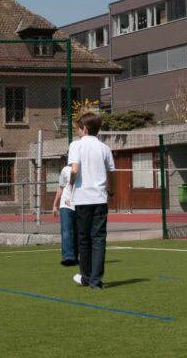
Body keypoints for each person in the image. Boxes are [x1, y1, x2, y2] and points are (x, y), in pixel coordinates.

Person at [66, 112, 115, 290]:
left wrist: (70, 185)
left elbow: (74, 170)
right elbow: (111, 172)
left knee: (84, 239)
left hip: (82, 198)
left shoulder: (76, 145)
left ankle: (86, 277)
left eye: (79, 128)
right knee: (99, 239)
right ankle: (96, 281)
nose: (78, 131)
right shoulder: (104, 148)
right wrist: (111, 190)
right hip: (100, 198)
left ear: (85, 129)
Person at [53, 161, 77, 266]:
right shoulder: (65, 170)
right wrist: (55, 205)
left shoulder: (84, 170)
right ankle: (68, 257)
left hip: (79, 205)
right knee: (66, 230)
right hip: (65, 205)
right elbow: (61, 188)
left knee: (77, 232)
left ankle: (75, 257)